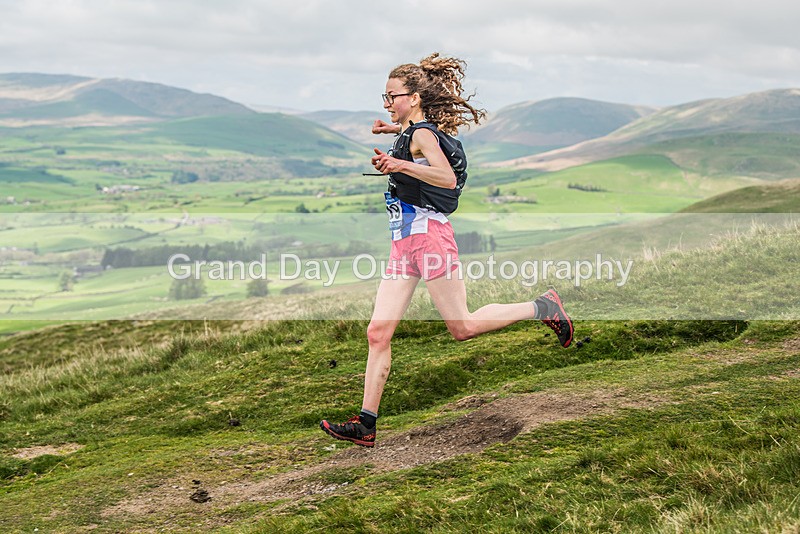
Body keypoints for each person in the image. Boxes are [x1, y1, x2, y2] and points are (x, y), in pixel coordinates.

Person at [320, 53, 573, 448]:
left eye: (393, 96)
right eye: (384, 96)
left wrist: (397, 166)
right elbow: (412, 136)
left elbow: (445, 175)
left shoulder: (422, 135)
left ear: (415, 97)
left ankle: (543, 307)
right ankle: (366, 424)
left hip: (430, 238)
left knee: (462, 327)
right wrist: (390, 132)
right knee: (377, 332)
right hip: (403, 243)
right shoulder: (411, 131)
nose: (386, 102)